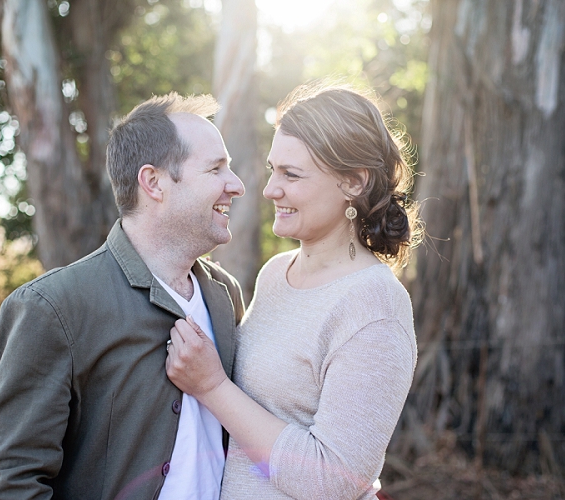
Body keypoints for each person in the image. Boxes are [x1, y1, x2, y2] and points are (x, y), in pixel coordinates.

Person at [0, 93, 246, 499]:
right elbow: (9, 480)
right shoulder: (53, 308)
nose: (236, 184)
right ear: (153, 182)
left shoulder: (226, 296)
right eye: (215, 168)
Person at [165, 83, 420, 499]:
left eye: (291, 174)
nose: (269, 190)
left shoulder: (376, 305)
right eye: (272, 169)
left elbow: (335, 479)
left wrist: (211, 386)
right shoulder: (275, 274)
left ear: (353, 182)